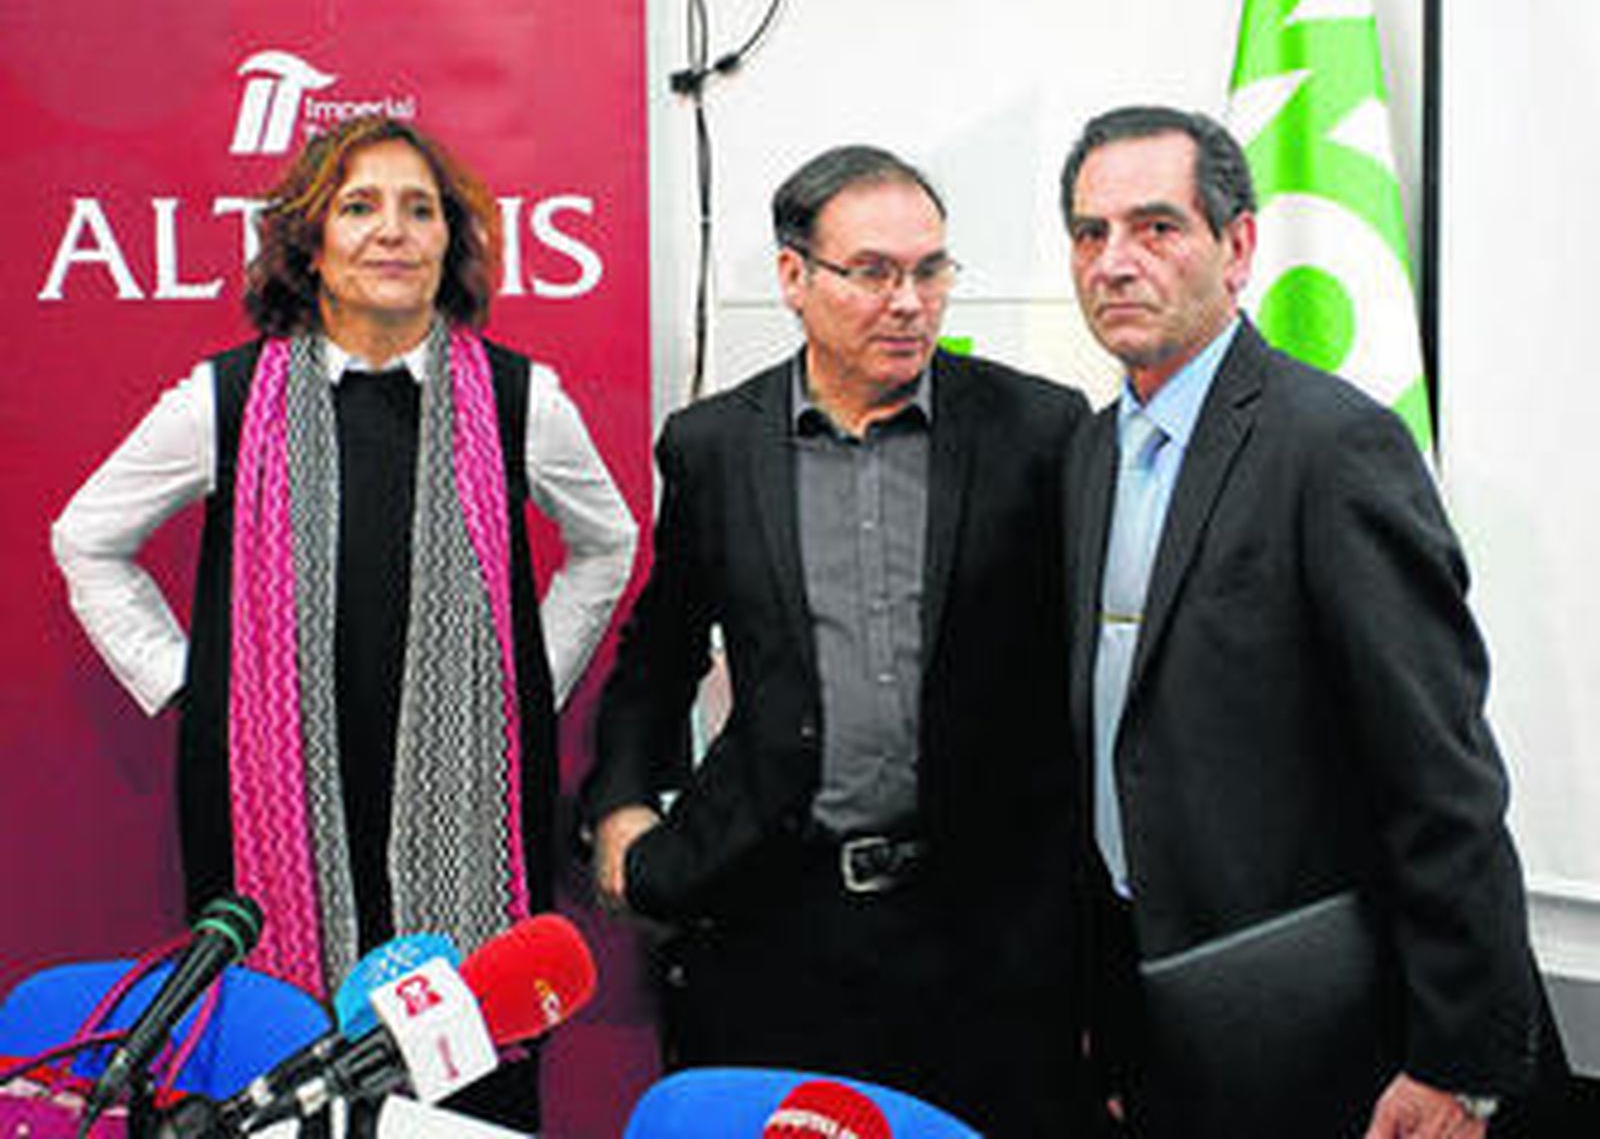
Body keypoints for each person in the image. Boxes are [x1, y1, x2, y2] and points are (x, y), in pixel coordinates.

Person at [50, 116, 637, 1131]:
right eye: (358, 207)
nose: (391, 232)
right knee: (273, 1065)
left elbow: (610, 542)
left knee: (465, 1079)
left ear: (451, 241)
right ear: (309, 242)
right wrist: (196, 692)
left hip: (474, 777)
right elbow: (87, 539)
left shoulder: (516, 398)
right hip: (263, 784)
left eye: (419, 210)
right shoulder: (225, 400)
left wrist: (524, 681)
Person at [1060, 105, 1562, 1137]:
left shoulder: (1331, 447)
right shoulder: (1090, 453)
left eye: (1156, 228)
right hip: (1159, 1016)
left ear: (1236, 247)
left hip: (1326, 1031)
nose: (1114, 262)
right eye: (1089, 232)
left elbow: (1440, 772)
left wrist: (1454, 1064)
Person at [580, 145, 1094, 1135]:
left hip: (987, 930)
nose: (909, 301)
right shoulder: (715, 446)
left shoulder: (1038, 432)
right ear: (793, 278)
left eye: (930, 270)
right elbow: (661, 648)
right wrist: (620, 807)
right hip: (780, 918)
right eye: (873, 272)